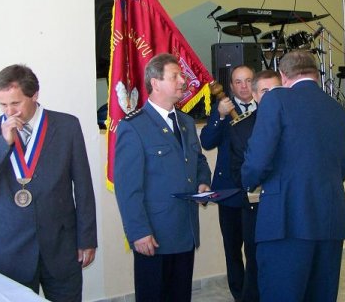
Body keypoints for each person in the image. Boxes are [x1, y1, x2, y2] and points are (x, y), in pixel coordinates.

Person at [0, 64, 97, 302]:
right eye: (3, 104)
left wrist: (87, 238)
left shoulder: (67, 126)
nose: (9, 111)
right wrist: (3, 144)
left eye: (15, 103)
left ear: (34, 95)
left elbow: (83, 186)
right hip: (11, 250)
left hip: (61, 245)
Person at [242, 50, 345, 302]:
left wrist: (248, 181)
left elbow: (258, 160)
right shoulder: (337, 108)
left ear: (283, 76)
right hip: (330, 219)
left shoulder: (276, 100)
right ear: (316, 74)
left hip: (286, 220)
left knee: (281, 293)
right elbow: (343, 167)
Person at [114, 53, 211, 302]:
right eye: (175, 76)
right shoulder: (134, 126)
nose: (183, 81)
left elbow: (198, 161)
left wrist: (203, 182)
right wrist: (138, 231)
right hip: (154, 235)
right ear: (155, 83)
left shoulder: (186, 122)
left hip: (185, 230)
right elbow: (127, 188)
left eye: (181, 76)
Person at [200, 64, 255, 301]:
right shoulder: (222, 108)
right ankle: (239, 294)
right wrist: (220, 115)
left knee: (255, 248)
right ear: (231, 86)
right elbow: (207, 142)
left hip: (257, 191)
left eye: (248, 80)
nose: (244, 86)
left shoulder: (265, 107)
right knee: (232, 249)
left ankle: (255, 292)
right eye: (238, 82)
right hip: (229, 190)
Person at [228, 69, 282, 302]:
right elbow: (239, 173)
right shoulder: (241, 127)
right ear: (255, 95)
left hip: (290, 207)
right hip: (257, 209)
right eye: (264, 91)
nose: (270, 96)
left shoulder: (298, 121)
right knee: (256, 267)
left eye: (275, 90)